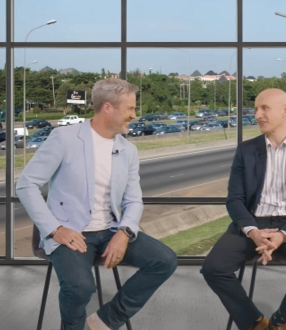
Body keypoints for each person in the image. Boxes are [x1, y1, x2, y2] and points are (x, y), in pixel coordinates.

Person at [16, 78, 177, 330]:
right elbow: (26, 185)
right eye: (130, 110)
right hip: (71, 232)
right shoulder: (64, 138)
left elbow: (134, 200)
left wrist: (124, 233)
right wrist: (55, 230)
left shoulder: (128, 150)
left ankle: (104, 321)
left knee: (165, 261)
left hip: (111, 230)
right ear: (108, 108)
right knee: (81, 287)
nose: (134, 116)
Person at [201, 88, 286, 330]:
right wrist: (252, 231)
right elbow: (235, 199)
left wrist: (282, 235)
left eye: (264, 109)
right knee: (213, 269)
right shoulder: (246, 150)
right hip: (253, 222)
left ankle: (282, 319)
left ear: (285, 111)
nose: (257, 114)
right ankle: (254, 322)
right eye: (255, 109)